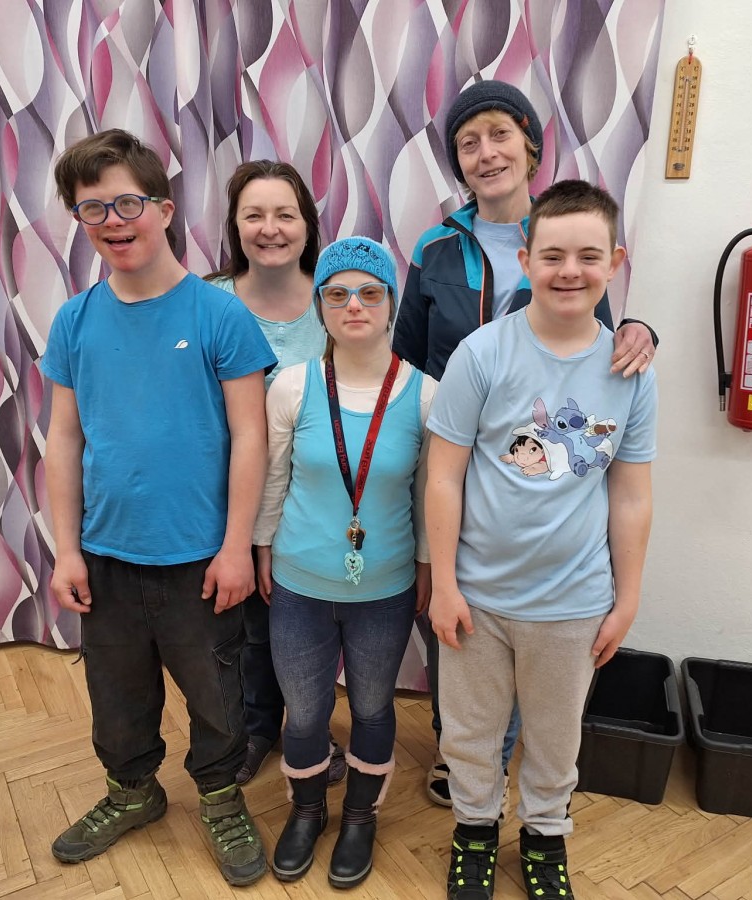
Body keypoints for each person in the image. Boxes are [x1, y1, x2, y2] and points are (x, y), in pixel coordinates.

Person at [392, 78, 659, 807]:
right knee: (456, 612)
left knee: (534, 645)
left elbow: (597, 342)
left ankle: (512, 763)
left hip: (539, 468)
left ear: (531, 146)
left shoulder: (565, 232)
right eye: (468, 143)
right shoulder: (436, 247)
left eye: (500, 135)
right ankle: (461, 753)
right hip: (452, 457)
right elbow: (407, 355)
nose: (486, 153)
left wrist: (643, 330)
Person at [41, 129, 276, 887]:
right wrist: (66, 550)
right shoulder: (75, 321)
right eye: (92, 209)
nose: (112, 222)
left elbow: (250, 437)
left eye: (127, 203)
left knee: (216, 694)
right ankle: (132, 791)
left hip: (199, 557)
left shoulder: (219, 315)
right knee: (115, 692)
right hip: (105, 552)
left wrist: (236, 546)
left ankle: (221, 797)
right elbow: (63, 440)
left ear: (164, 210)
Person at [425, 180, 657, 900]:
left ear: (615, 262)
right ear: (525, 260)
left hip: (574, 602)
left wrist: (627, 598)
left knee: (556, 737)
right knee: (470, 734)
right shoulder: (481, 354)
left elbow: (631, 494)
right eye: (552, 255)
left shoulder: (632, 372)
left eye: (588, 256)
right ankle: (474, 830)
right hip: (479, 598)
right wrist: (444, 585)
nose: (569, 271)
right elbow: (444, 477)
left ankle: (545, 835)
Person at [254, 237, 437, 888]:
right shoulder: (292, 386)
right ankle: (307, 810)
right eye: (337, 294)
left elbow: (428, 497)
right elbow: (273, 480)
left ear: (390, 304)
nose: (353, 305)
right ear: (321, 308)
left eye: (369, 292)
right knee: (304, 714)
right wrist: (262, 547)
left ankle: (361, 816)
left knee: (373, 709)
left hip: (385, 590)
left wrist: (426, 566)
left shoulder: (424, 395)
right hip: (298, 585)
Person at [206, 160, 347, 789]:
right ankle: (254, 728)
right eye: (254, 215)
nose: (270, 229)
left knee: (307, 624)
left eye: (285, 214)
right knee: (245, 629)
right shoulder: (209, 300)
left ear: (308, 224)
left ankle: (310, 729)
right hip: (227, 494)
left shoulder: (336, 299)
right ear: (235, 226)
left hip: (316, 498)